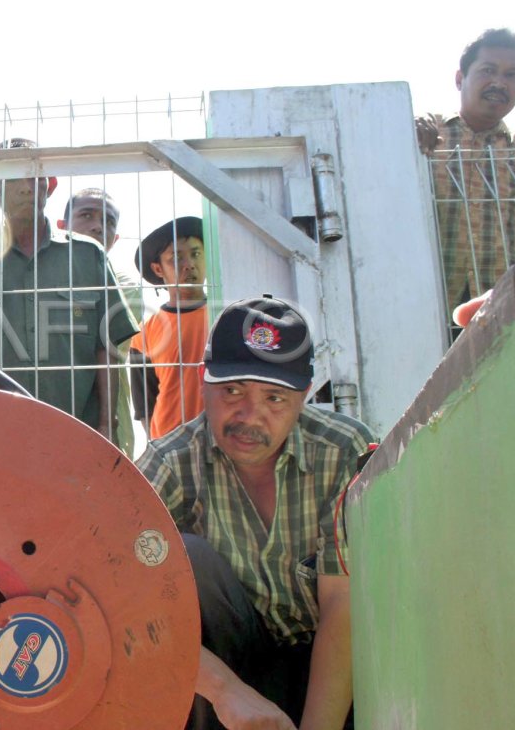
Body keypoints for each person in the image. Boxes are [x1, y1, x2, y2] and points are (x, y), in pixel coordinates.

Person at [138, 295, 376, 730]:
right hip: (228, 676)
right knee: (182, 559)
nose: (250, 417)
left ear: (304, 397)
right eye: (232, 391)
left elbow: (343, 605)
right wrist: (225, 690)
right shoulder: (172, 461)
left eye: (274, 398)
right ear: (203, 382)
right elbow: (115, 588)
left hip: (331, 665)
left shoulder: (343, 451)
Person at [0, 138, 138, 440]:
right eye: (14, 178)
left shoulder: (87, 255)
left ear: (50, 185)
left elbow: (106, 348)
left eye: (35, 176)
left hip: (76, 432)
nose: (27, 188)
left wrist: (108, 424)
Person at [415, 28, 515, 324]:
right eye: (488, 70)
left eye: (513, 75)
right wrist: (403, 123)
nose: (499, 83)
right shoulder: (422, 138)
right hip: (425, 320)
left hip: (511, 320)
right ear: (459, 78)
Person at [58, 185, 144, 455]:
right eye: (87, 216)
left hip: (106, 422)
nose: (98, 227)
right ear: (61, 226)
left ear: (115, 238)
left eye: (108, 221)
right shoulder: (41, 281)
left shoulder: (125, 285)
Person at [130, 216, 209, 438]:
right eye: (176, 258)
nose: (189, 264)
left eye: (196, 254)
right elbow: (144, 407)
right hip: (171, 446)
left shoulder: (228, 317)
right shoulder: (144, 334)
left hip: (223, 441)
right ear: (157, 268)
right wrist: (158, 448)